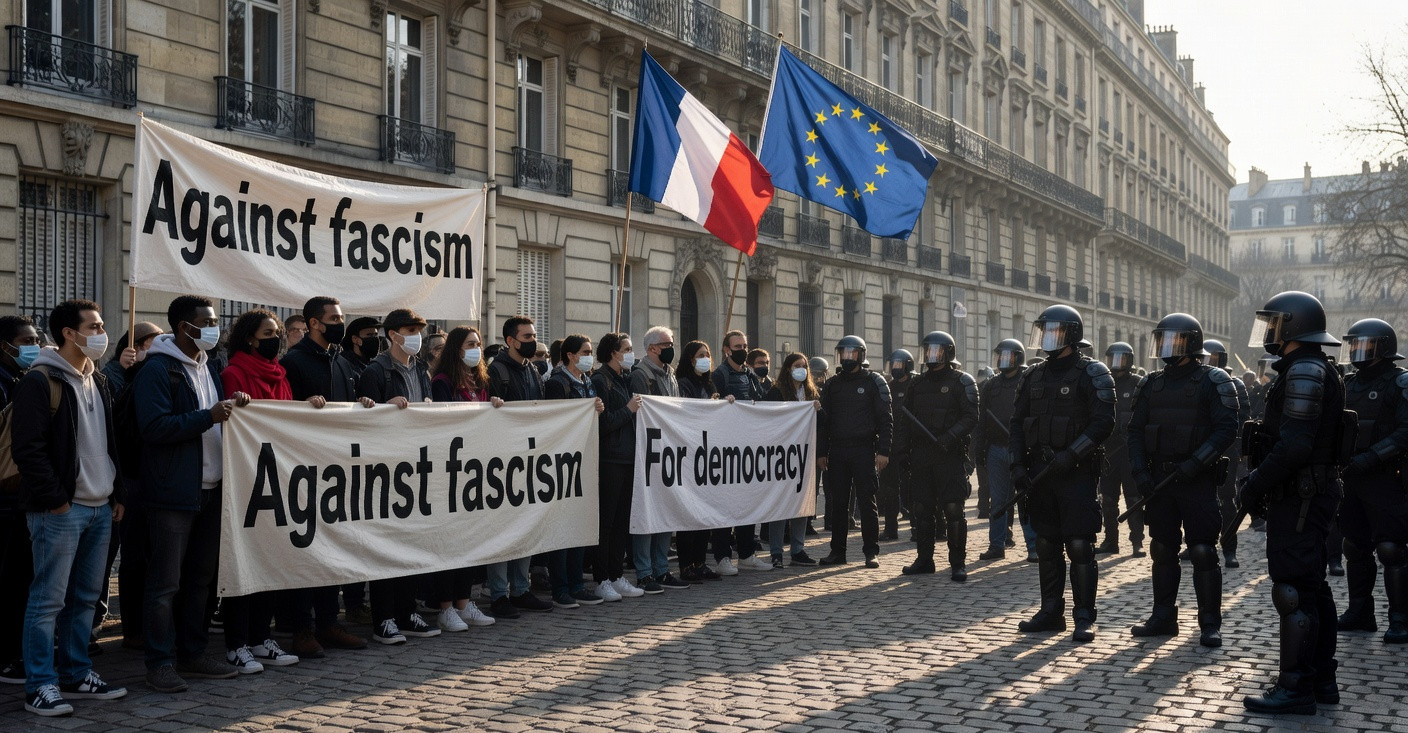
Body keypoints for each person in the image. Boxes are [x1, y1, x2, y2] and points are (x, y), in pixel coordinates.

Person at [13, 300, 127, 716]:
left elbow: (110, 442)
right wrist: (57, 501)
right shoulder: (39, 380)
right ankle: (40, 685)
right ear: (68, 333)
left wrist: (116, 495)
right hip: (61, 511)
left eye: (101, 325)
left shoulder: (98, 379)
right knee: (48, 601)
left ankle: (76, 673)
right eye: (93, 327)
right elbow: (29, 449)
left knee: (85, 599)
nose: (102, 333)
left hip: (100, 508)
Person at [1237, 291, 1346, 715]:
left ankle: (1296, 687)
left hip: (1301, 495)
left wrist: (1255, 483)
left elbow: (1295, 445)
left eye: (1274, 323)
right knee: (1311, 586)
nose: (1269, 331)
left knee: (1294, 591)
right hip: (1306, 492)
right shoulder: (1308, 366)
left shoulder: (1304, 369)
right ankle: (1321, 680)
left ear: (1293, 325)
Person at [134, 295, 248, 692]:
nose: (215, 328)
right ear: (186, 327)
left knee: (200, 580)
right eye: (208, 322)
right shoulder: (157, 370)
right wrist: (208, 416)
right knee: (165, 584)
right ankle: (159, 662)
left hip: (211, 489)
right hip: (173, 493)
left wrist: (235, 407)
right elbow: (153, 427)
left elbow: (217, 417)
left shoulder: (209, 366)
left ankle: (193, 652)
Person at [1125, 314, 1239, 649]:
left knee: (1203, 551)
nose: (1165, 347)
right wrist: (1140, 473)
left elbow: (1226, 429)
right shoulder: (1151, 383)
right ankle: (1163, 617)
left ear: (1191, 344)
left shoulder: (1213, 380)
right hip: (1160, 480)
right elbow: (1134, 431)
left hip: (1196, 480)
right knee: (1162, 549)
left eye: (1173, 341)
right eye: (1162, 340)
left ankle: (1209, 624)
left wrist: (1196, 462)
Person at [1010, 305, 1115, 643]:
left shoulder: (1092, 373)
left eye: (1053, 331)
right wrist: (1017, 465)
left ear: (1071, 335)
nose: (1046, 338)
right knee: (1046, 543)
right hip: (1041, 472)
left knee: (1080, 545)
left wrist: (1073, 454)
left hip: (1076, 473)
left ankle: (1084, 616)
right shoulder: (1032, 375)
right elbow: (1016, 424)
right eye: (1043, 331)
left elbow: (1103, 422)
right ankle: (1051, 612)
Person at [216, 310, 305, 672]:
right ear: (250, 338)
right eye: (268, 333)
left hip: (277, 478)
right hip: (245, 481)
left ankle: (260, 637)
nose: (275, 339)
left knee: (271, 560)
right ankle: (236, 644)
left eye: (277, 333)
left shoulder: (280, 373)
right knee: (244, 562)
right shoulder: (233, 374)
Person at [355, 308, 440, 644]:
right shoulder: (376, 370)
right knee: (386, 544)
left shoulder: (421, 369)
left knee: (411, 542)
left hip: (415, 466)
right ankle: (384, 617)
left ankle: (407, 612)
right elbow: (364, 418)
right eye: (410, 330)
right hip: (385, 468)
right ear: (392, 335)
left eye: (419, 330)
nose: (416, 337)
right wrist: (384, 407)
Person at [1335, 319, 1408, 644]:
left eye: (1364, 345)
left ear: (1384, 348)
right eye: (1353, 345)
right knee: (1354, 545)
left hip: (1386, 478)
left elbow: (1405, 431)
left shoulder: (1400, 383)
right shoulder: (1347, 384)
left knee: (1391, 549)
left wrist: (1372, 457)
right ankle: (1360, 612)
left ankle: (1400, 619)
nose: (1357, 351)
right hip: (1352, 477)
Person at [425, 326, 503, 629]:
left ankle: (463, 601)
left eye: (479, 344)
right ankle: (445, 607)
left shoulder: (480, 380)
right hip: (451, 469)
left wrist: (493, 407)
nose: (476, 349)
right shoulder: (443, 382)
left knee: (470, 539)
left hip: (475, 470)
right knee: (450, 541)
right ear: (456, 348)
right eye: (470, 344)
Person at [485, 316, 555, 617]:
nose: (532, 341)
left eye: (534, 336)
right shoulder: (496, 371)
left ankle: (521, 589)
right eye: (527, 337)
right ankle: (499, 594)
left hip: (530, 460)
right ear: (511, 341)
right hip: (502, 462)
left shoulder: (533, 371)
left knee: (526, 526)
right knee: (502, 529)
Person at [894, 332, 978, 581]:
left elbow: (971, 417)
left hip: (949, 454)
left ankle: (957, 563)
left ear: (948, 353)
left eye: (937, 351)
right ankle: (924, 560)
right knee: (922, 509)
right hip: (922, 455)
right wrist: (902, 451)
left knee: (953, 509)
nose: (931, 356)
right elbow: (905, 420)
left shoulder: (962, 381)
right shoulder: (917, 384)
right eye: (928, 351)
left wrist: (950, 436)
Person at [543, 334, 609, 606]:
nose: (589, 357)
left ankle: (577, 583)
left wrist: (597, 409)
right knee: (561, 526)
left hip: (585, 460)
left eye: (590, 352)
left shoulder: (587, 381)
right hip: (563, 462)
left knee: (579, 524)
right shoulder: (557, 383)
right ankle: (561, 588)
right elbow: (556, 419)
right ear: (570, 355)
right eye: (585, 352)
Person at [817, 335, 892, 568]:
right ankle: (837, 552)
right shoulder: (832, 384)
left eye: (852, 353)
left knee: (867, 503)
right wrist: (821, 452)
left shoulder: (873, 382)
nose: (847, 357)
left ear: (861, 355)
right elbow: (824, 422)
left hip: (864, 449)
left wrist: (884, 451)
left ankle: (871, 552)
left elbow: (885, 419)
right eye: (844, 353)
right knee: (838, 504)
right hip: (838, 450)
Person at [628, 327, 691, 589]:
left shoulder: (671, 374)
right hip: (648, 450)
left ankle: (661, 568)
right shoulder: (640, 375)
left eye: (672, 343)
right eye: (667, 344)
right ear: (652, 348)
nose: (671, 348)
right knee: (647, 511)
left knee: (666, 509)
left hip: (669, 450)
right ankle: (644, 571)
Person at [0, 315, 42, 685]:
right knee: (10, 581)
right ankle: (8, 656)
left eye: (35, 339)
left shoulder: (21, 377)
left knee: (19, 579)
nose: (34, 346)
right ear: (5, 346)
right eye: (26, 341)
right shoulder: (7, 384)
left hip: (17, 497)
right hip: (5, 496)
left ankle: (15, 650)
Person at [591, 332, 649, 596]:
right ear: (613, 353)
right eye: (626, 349)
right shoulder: (600, 380)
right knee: (607, 522)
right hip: (609, 458)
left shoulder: (625, 379)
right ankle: (602, 578)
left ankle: (616, 575)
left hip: (627, 457)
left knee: (622, 522)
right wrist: (628, 410)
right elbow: (602, 424)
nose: (630, 354)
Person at [711, 330, 770, 571]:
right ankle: (722, 557)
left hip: (748, 447)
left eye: (745, 345)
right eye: (738, 346)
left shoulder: (749, 374)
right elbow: (712, 405)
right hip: (726, 449)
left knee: (747, 502)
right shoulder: (720, 374)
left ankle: (746, 553)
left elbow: (761, 400)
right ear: (727, 350)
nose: (743, 350)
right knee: (725, 504)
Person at [977, 339, 1036, 563]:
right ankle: (996, 545)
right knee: (998, 500)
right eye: (1000, 356)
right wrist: (979, 449)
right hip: (996, 448)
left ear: (1017, 358)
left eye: (1007, 356)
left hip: (1021, 449)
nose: (1003, 360)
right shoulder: (991, 385)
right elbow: (982, 420)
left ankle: (1033, 546)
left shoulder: (1028, 381)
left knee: (1025, 498)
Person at [762, 353, 822, 567]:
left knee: (800, 503)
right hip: (781, 455)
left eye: (804, 366)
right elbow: (768, 418)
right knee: (780, 503)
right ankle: (776, 552)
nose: (802, 370)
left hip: (804, 454)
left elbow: (821, 421)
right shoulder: (776, 392)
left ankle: (798, 550)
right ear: (788, 368)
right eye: (797, 366)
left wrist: (817, 409)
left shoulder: (810, 392)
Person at [675, 341, 724, 582]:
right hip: (689, 453)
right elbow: (687, 412)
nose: (705, 358)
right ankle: (686, 565)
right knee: (689, 512)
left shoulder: (709, 383)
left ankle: (700, 561)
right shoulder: (683, 383)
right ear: (690, 359)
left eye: (708, 354)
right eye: (700, 355)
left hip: (708, 454)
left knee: (705, 511)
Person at [1201, 339, 1251, 568]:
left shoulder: (1236, 385)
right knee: (1198, 500)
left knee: (1227, 500)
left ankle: (1229, 547)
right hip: (1200, 449)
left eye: (1214, 358)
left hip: (1226, 451)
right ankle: (1199, 543)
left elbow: (1242, 420)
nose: (1210, 361)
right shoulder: (1199, 381)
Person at [1096, 342, 1146, 557]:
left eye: (1121, 359)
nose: (1116, 364)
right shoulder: (1102, 383)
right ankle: (1111, 540)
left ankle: (1137, 541)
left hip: (1130, 452)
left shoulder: (1138, 384)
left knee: (1134, 498)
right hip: (1108, 452)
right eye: (1112, 359)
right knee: (1108, 498)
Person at [880, 349, 917, 541]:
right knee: (890, 490)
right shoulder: (888, 387)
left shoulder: (915, 385)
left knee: (913, 489)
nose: (895, 368)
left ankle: (917, 527)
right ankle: (890, 529)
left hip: (911, 446)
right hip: (892, 445)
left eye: (898, 364)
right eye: (893, 364)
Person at [99, 321, 161, 398]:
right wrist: (123, 370)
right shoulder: (110, 374)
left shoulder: (155, 370)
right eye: (154, 345)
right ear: (135, 347)